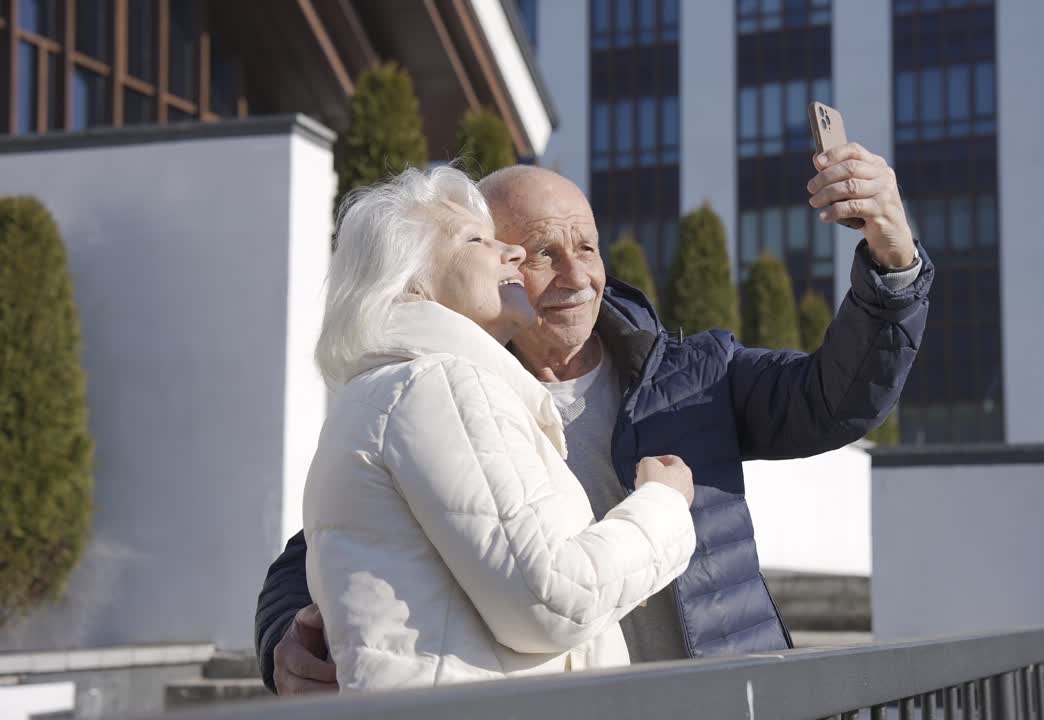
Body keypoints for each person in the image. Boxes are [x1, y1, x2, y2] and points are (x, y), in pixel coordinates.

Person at [258, 141, 932, 694]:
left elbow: (836, 399)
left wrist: (892, 261)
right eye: (539, 251)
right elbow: (328, 541)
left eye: (587, 246)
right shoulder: (446, 396)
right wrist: (286, 636)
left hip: (728, 702)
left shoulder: (693, 377)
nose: (575, 274)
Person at [302, 166, 696, 690]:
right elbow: (550, 599)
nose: (510, 253)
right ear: (413, 286)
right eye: (477, 241)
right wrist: (663, 506)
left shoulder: (387, 389)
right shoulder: (439, 383)